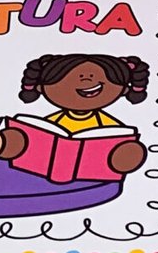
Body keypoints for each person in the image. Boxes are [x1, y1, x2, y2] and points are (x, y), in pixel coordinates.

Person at [16, 54, 149, 175]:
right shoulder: (52, 122)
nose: (86, 79)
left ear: (124, 90)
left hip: (94, 172)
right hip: (44, 170)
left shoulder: (108, 124)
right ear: (41, 88)